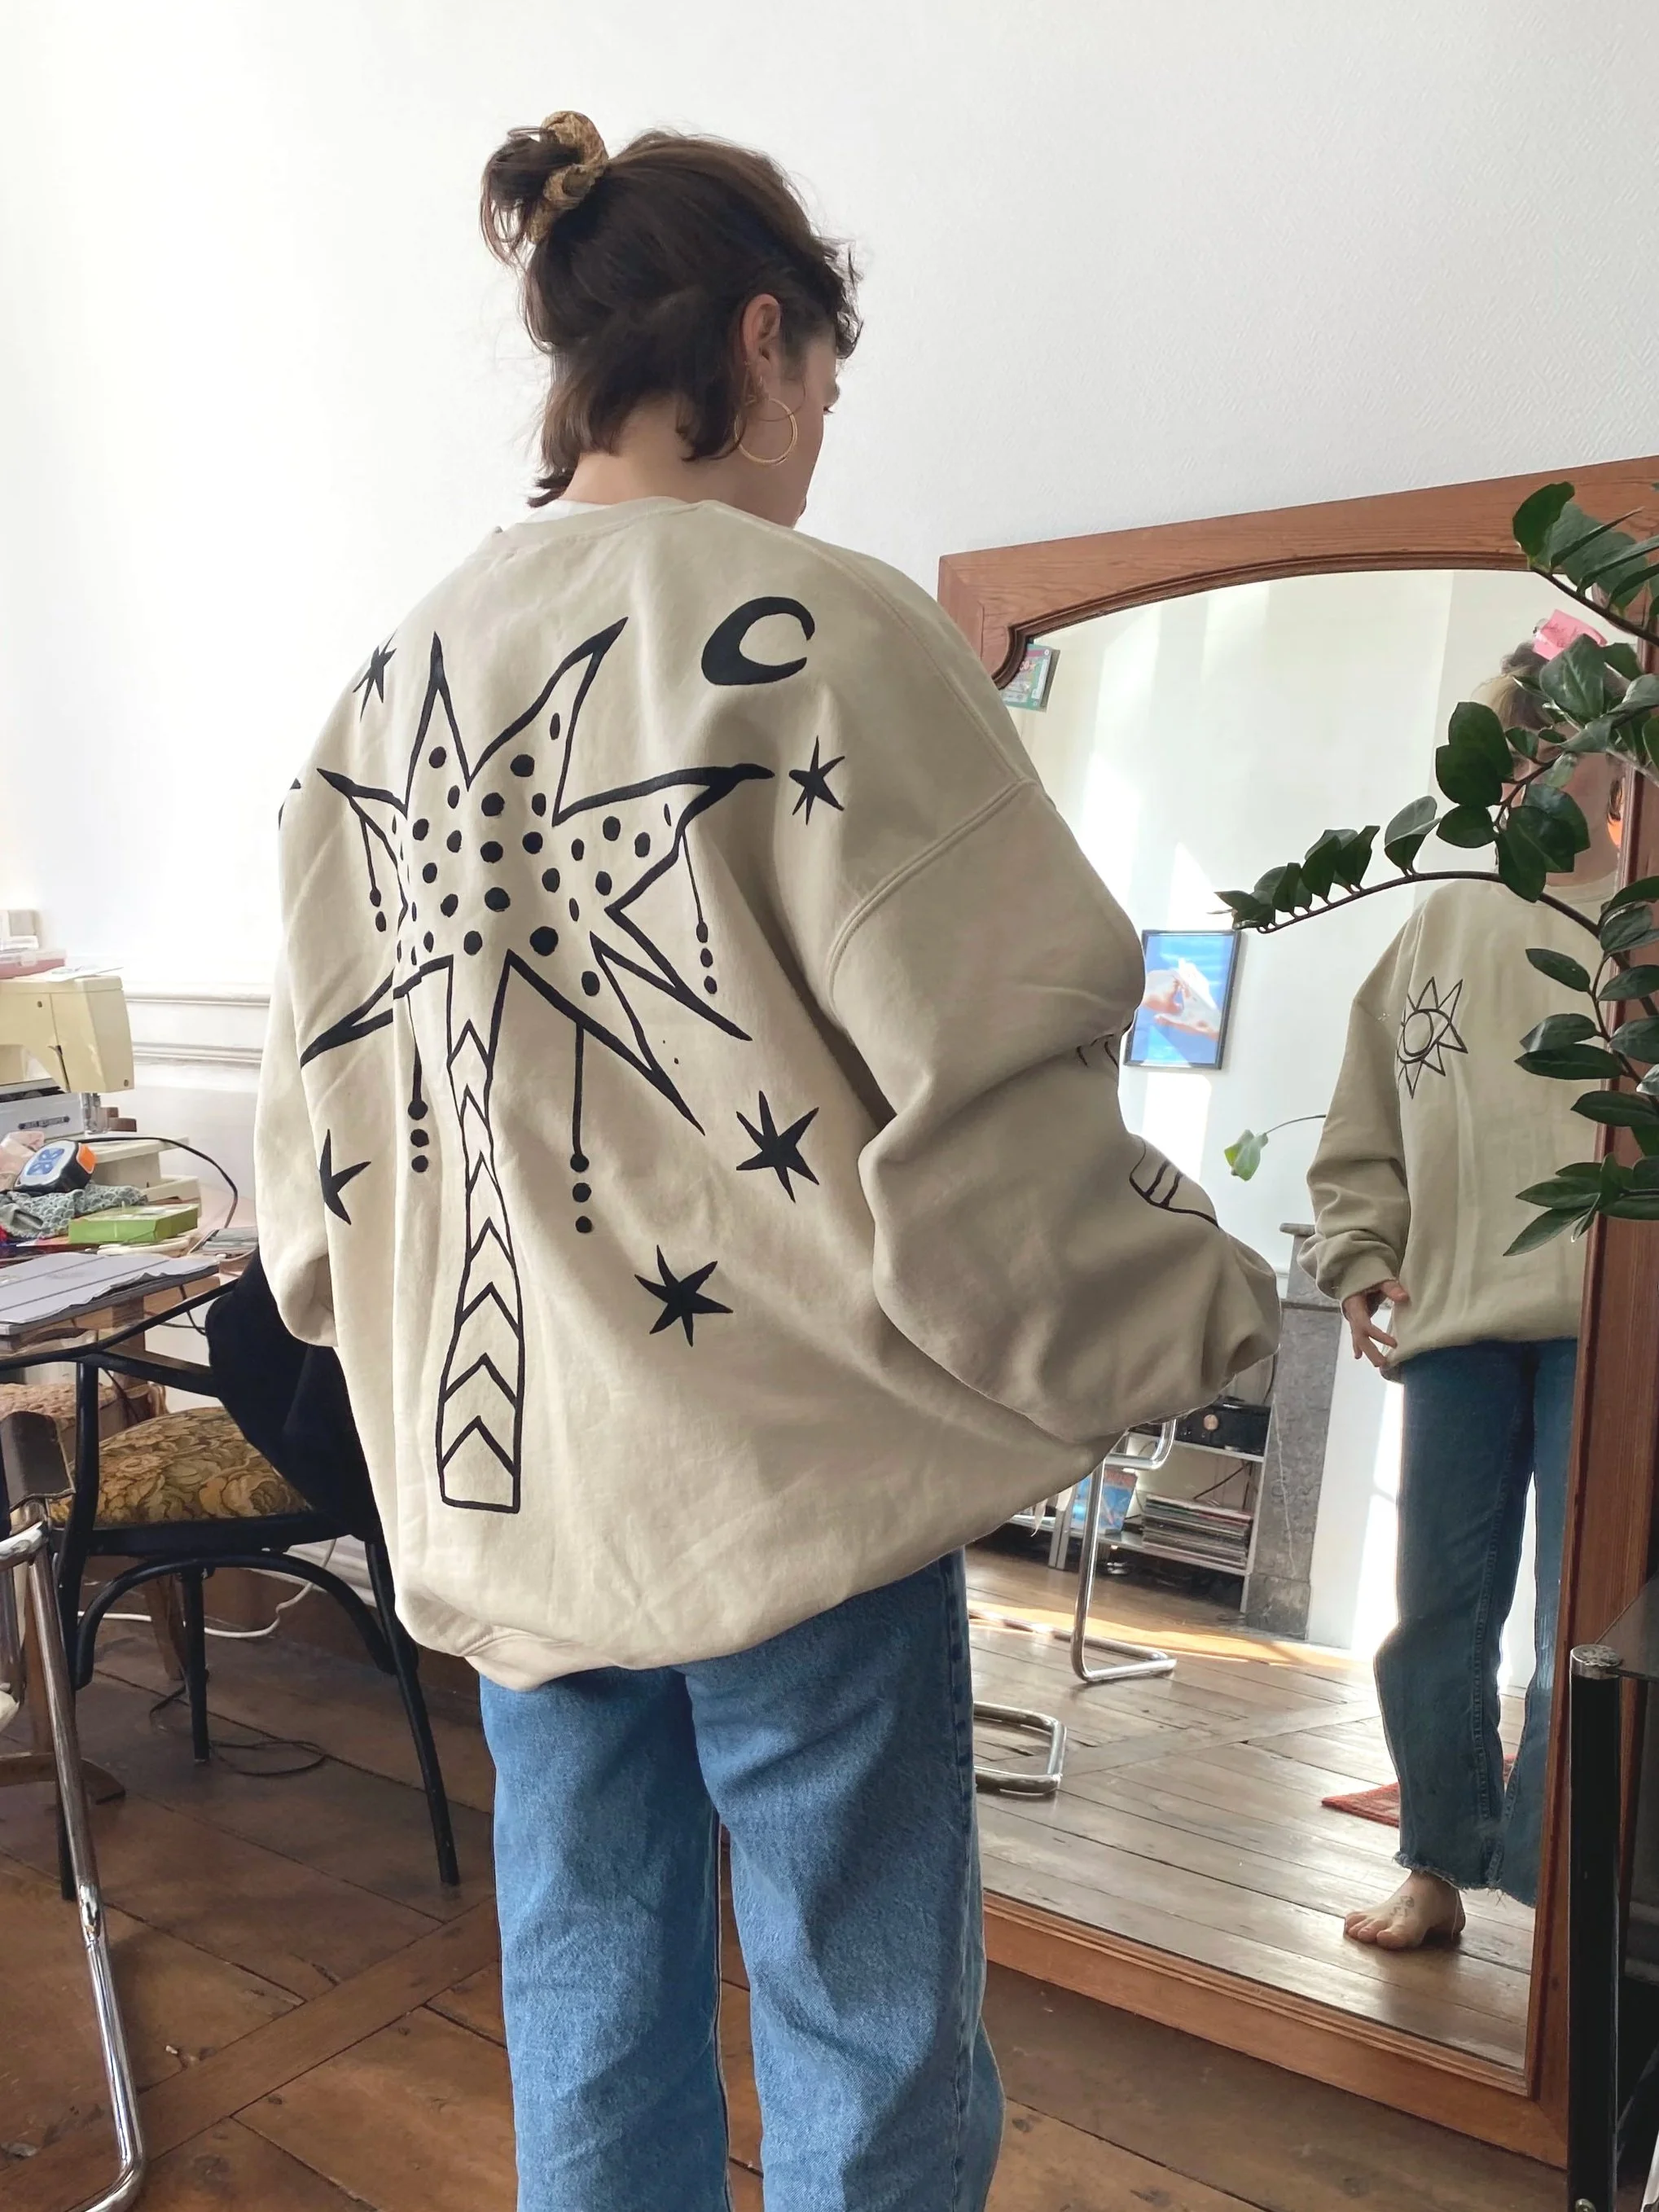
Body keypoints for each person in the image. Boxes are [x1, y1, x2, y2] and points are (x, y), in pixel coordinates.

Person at [255, 111, 1279, 2212]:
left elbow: (318, 1168)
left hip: (518, 1494)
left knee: (585, 2003)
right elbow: (984, 1093)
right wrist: (1191, 1305)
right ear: (754, 339)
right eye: (821, 375)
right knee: (861, 2031)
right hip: (787, 1476)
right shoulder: (824, 628)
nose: (818, 427)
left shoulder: (373, 696)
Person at [1307, 622, 1621, 1951]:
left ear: (1622, 759)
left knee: (1583, 1624)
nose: (1537, 770)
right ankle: (1437, 1859)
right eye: (1512, 742)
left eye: (1568, 744)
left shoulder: (1643, 926)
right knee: (1437, 1606)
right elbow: (1366, 1114)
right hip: (1456, 1326)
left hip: (1615, 1338)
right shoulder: (1434, 922)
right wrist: (1361, 1256)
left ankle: (1558, 1890)